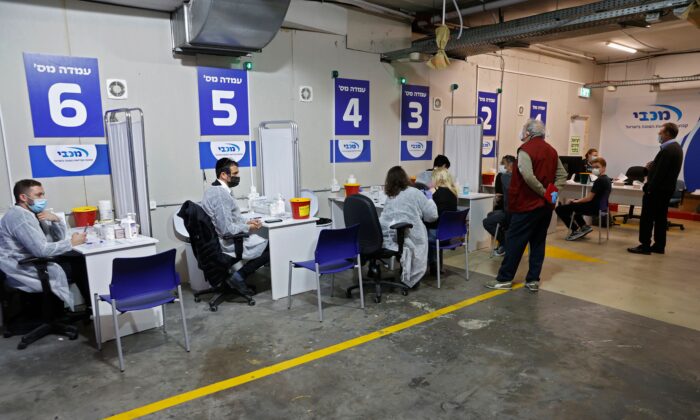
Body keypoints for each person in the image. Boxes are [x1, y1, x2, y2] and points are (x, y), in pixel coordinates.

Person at [485, 119, 568, 292]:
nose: (522, 134)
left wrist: (543, 192)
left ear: (528, 133)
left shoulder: (525, 150)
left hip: (526, 206)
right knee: (538, 242)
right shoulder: (552, 151)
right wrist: (551, 194)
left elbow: (528, 176)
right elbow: (562, 175)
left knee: (515, 242)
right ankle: (533, 280)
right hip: (545, 208)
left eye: (523, 130)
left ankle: (505, 278)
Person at [0, 179, 87, 308]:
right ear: (23, 197)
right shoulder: (20, 217)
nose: (43, 198)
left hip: (34, 261)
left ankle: (81, 311)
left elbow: (56, 239)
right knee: (80, 265)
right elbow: (42, 250)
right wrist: (71, 243)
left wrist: (56, 220)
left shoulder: (31, 213)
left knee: (77, 259)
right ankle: (91, 310)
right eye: (38, 195)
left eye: (43, 194)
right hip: (27, 268)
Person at [202, 158, 269, 293]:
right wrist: (249, 227)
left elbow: (228, 220)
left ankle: (237, 277)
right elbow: (227, 229)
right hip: (227, 243)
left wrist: (246, 222)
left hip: (217, 241)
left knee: (264, 238)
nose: (237, 177)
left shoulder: (215, 190)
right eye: (235, 173)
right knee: (271, 245)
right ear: (223, 175)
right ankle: (239, 276)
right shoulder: (220, 195)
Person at [628, 123, 684, 255]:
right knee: (660, 218)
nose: (659, 135)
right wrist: (651, 168)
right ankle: (659, 245)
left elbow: (660, 174)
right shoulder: (675, 148)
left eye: (660, 132)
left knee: (647, 218)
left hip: (657, 191)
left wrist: (649, 188)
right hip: (665, 190)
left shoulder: (668, 150)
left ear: (667, 134)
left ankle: (644, 245)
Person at [380, 166, 438, 288]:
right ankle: (412, 277)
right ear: (404, 178)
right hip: (412, 234)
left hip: (391, 238)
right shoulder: (415, 192)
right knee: (419, 243)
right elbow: (432, 216)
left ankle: (406, 271)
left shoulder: (390, 196)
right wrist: (430, 199)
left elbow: (384, 218)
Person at [556, 157, 612, 241]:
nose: (594, 169)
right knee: (575, 205)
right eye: (593, 167)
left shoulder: (599, 181)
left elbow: (589, 198)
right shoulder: (607, 179)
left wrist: (575, 201)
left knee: (559, 209)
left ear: (604, 168)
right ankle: (584, 226)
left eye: (597, 167)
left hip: (593, 208)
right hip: (601, 208)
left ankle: (575, 230)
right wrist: (576, 201)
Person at [425, 168, 458, 274]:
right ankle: (436, 265)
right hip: (449, 234)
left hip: (437, 235)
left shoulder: (435, 194)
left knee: (421, 232)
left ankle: (431, 265)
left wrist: (429, 195)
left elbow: (430, 215)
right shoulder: (453, 193)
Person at [483, 155, 515, 256]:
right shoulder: (509, 176)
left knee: (487, 222)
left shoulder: (505, 176)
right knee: (490, 215)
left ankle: (505, 243)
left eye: (504, 164)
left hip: (510, 212)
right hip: (507, 209)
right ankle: (503, 243)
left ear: (510, 164)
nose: (503, 167)